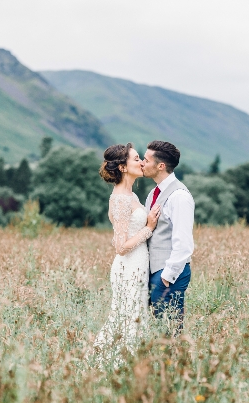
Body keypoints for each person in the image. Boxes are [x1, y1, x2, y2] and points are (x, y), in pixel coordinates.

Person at [93, 143, 161, 366]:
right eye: (136, 159)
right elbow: (120, 246)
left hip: (137, 263)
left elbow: (117, 236)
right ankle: (110, 366)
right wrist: (149, 228)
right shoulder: (121, 199)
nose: (141, 162)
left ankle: (127, 365)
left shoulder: (130, 195)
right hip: (128, 266)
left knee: (133, 316)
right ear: (122, 167)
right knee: (128, 317)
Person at [141, 140, 195, 335]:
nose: (142, 163)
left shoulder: (179, 196)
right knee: (157, 330)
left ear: (160, 166)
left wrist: (167, 276)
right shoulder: (153, 194)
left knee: (169, 332)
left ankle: (176, 365)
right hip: (155, 271)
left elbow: (184, 242)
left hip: (168, 274)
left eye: (146, 160)